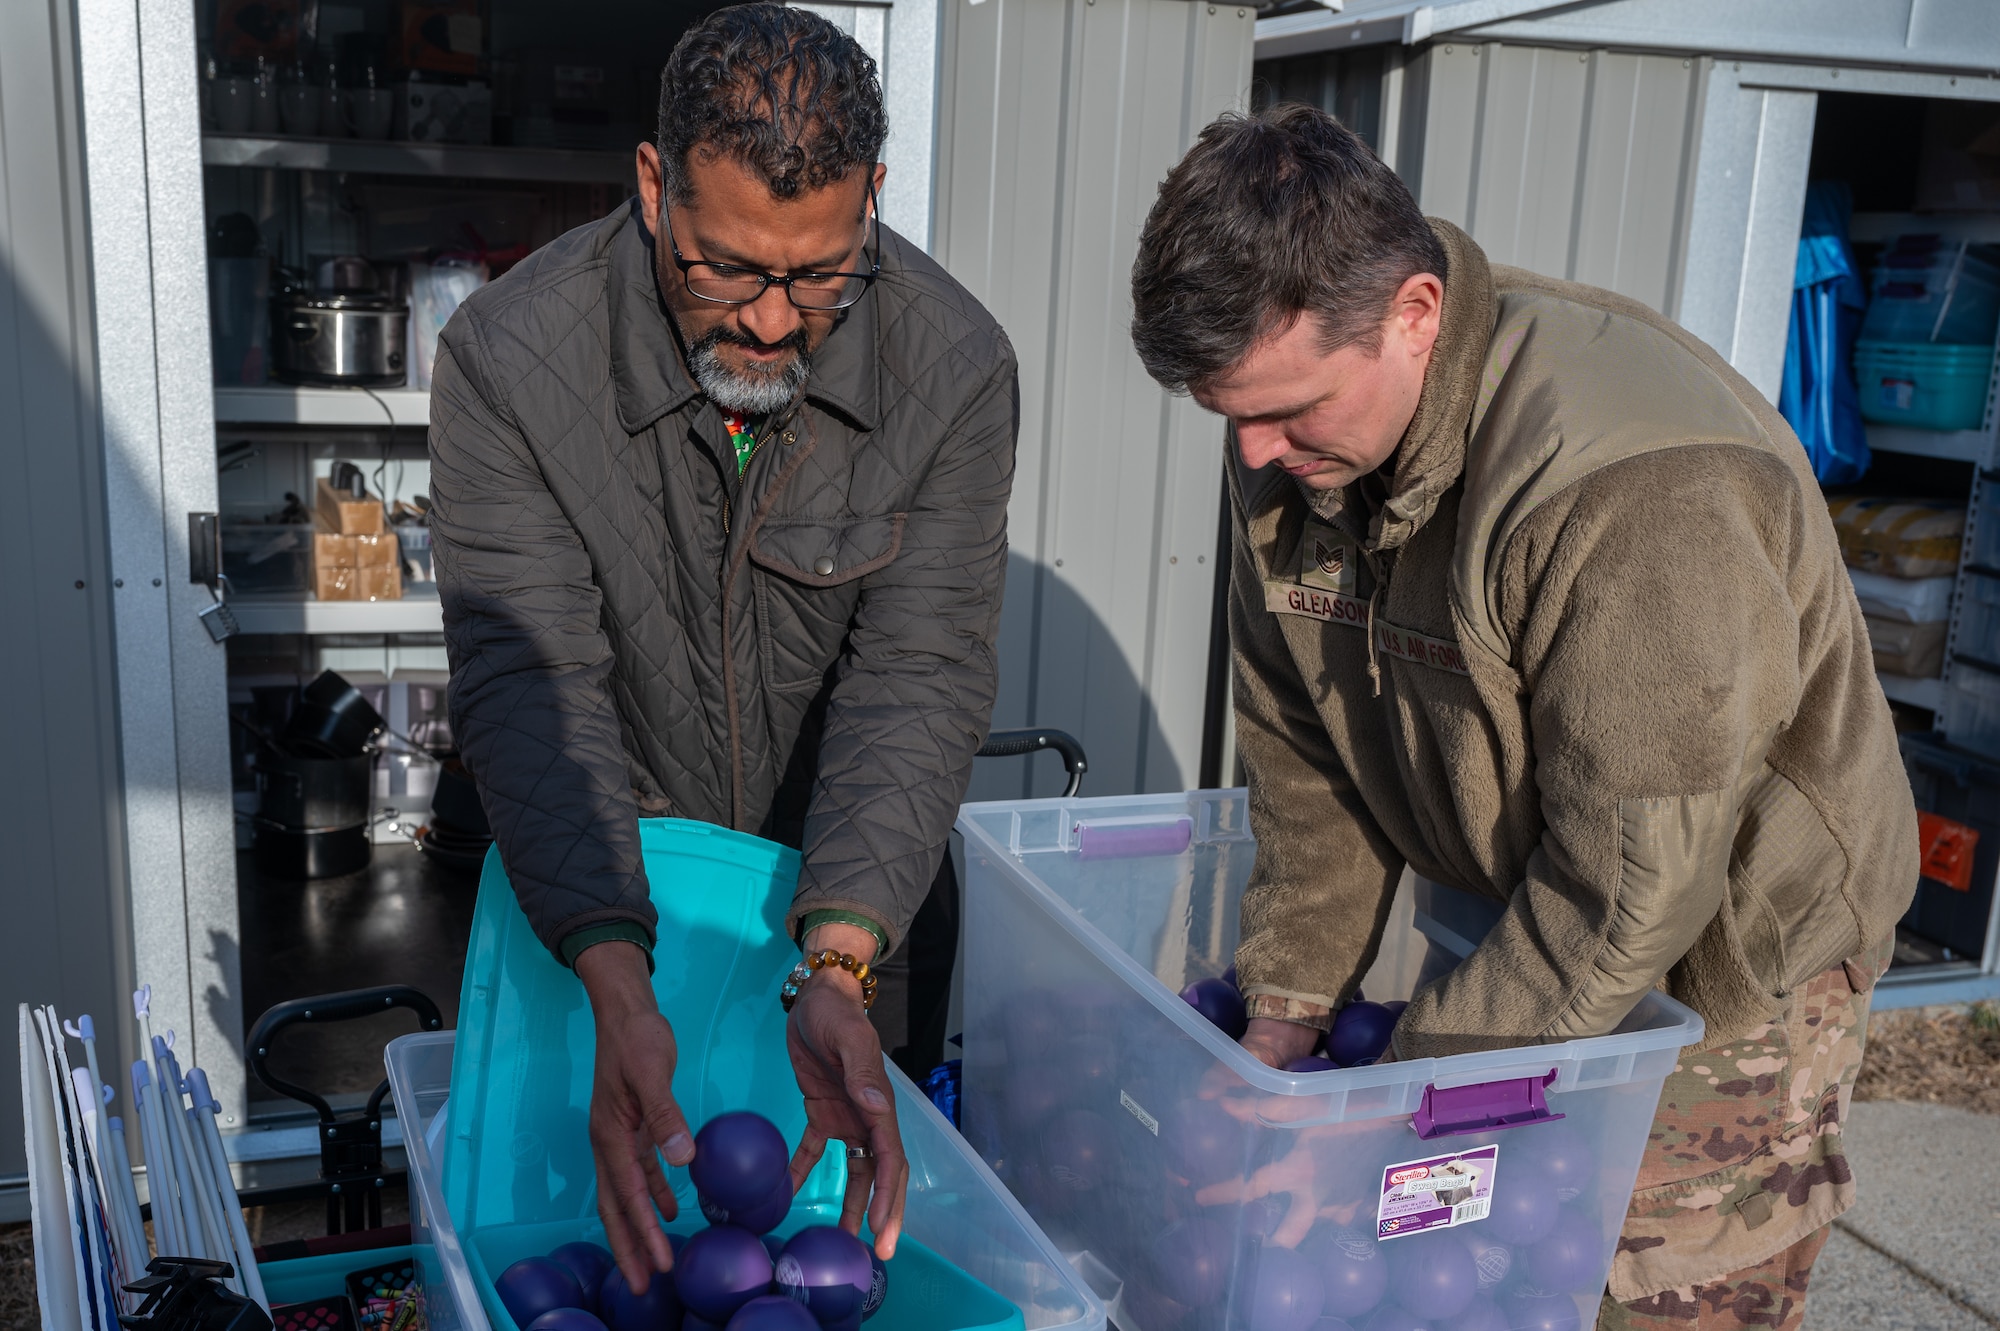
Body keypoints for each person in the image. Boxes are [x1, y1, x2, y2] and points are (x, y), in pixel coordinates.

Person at [1129, 104, 1917, 1331]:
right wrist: (1284, 1012)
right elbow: (1304, 757)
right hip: (1530, 911)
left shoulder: (1634, 490)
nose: (1255, 451)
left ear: (1414, 314)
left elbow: (1630, 888)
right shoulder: (1291, 454)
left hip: (1725, 959)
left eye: (1290, 408)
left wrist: (1388, 1108)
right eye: (1227, 413)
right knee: (1477, 1279)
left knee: (1643, 1288)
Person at [427, 5, 1016, 1288]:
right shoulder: (509, 362)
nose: (769, 321)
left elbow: (915, 672)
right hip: (600, 895)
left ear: (870, 202)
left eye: (819, 274)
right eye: (728, 268)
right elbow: (534, 685)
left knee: (829, 1264)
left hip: (845, 900)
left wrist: (841, 960)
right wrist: (614, 975)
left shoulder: (953, 363)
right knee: (599, 1231)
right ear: (652, 189)